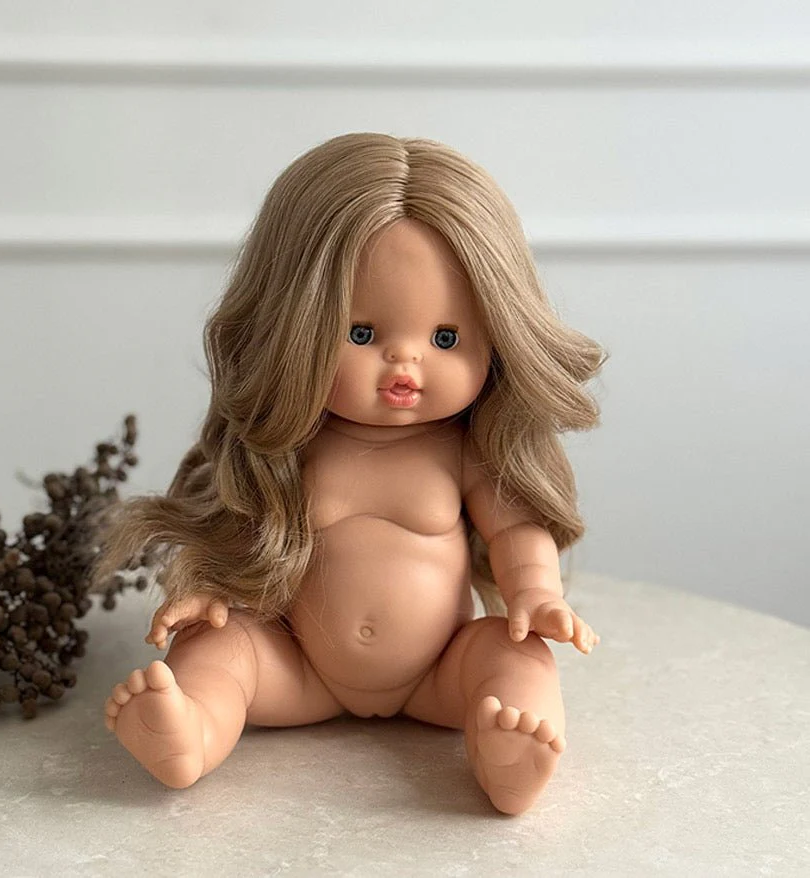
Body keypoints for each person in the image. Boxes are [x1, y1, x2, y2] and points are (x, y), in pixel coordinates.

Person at [97, 132, 605, 815]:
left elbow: (516, 530)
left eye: (445, 338)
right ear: (293, 327)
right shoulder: (285, 447)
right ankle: (191, 730)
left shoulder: (467, 451)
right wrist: (204, 588)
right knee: (218, 645)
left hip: (440, 672)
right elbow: (233, 520)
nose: (405, 363)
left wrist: (536, 593)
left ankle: (508, 755)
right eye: (361, 334)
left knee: (517, 655)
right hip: (297, 667)